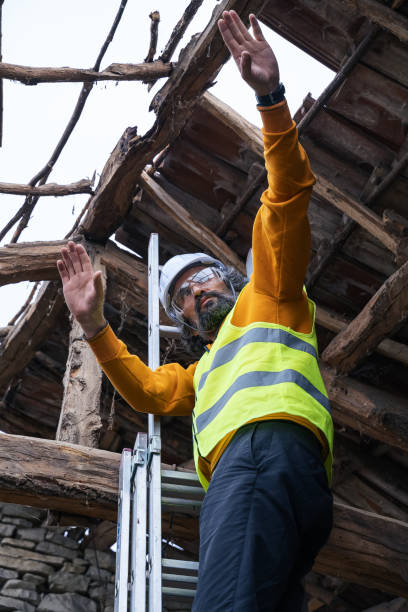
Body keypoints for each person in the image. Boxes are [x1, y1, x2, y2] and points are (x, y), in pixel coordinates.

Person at [57, 10, 333, 611]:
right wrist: (94, 325)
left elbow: (285, 197)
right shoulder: (202, 375)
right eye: (180, 298)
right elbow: (150, 393)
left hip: (260, 457)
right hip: (297, 479)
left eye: (201, 279)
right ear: (182, 323)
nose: (193, 294)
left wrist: (271, 99)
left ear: (230, 278)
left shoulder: (269, 295)